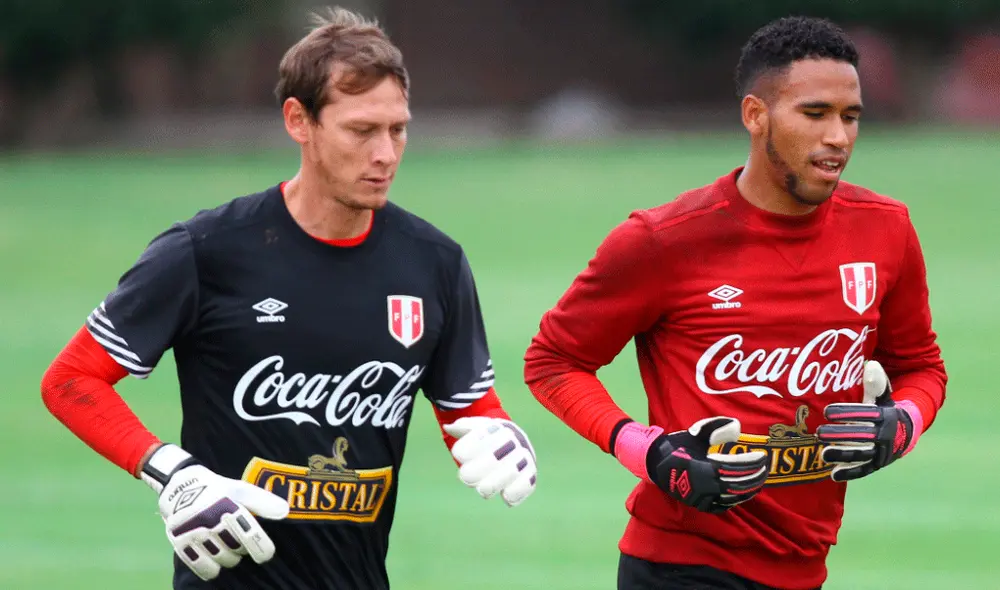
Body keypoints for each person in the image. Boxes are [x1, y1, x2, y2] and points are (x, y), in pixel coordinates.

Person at [41, 7, 537, 589]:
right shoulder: (206, 250)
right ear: (299, 121)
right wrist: (172, 473)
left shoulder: (435, 263)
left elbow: (469, 412)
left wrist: (502, 436)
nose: (385, 153)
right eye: (361, 131)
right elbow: (70, 380)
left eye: (398, 130)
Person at [523, 15, 946, 590]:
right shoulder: (662, 240)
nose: (839, 137)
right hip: (682, 565)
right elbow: (553, 362)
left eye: (850, 116)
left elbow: (921, 367)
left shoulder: (886, 229)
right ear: (755, 115)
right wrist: (649, 452)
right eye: (815, 113)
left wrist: (902, 424)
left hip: (805, 565)